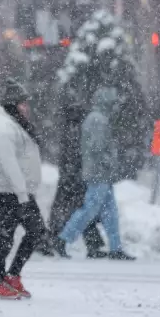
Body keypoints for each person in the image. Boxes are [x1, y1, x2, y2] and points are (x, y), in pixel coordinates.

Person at [0, 78, 47, 300]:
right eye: (22, 103)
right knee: (9, 235)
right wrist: (22, 195)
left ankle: (9, 277)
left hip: (18, 191)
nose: (26, 107)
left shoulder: (13, 124)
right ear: (11, 105)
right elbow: (8, 163)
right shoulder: (2, 128)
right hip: (10, 191)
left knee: (25, 233)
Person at [58, 87, 136, 260]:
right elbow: (97, 147)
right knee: (90, 209)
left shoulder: (98, 118)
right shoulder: (98, 120)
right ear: (106, 102)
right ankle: (63, 238)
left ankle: (116, 248)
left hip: (102, 173)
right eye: (113, 103)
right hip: (98, 173)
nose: (116, 106)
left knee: (110, 212)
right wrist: (110, 160)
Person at [47, 99, 107, 259]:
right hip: (74, 177)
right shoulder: (76, 129)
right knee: (81, 210)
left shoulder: (69, 128)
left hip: (70, 176)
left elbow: (68, 155)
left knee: (75, 210)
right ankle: (57, 240)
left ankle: (54, 239)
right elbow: (76, 154)